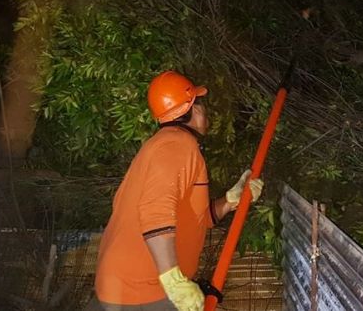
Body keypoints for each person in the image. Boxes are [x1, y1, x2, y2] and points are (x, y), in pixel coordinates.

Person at [93, 71, 264, 311]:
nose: (205, 110)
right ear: (191, 109)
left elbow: (195, 218)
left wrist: (230, 201)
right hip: (142, 291)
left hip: (129, 287)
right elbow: (155, 212)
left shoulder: (166, 145)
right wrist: (173, 282)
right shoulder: (177, 145)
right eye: (200, 103)